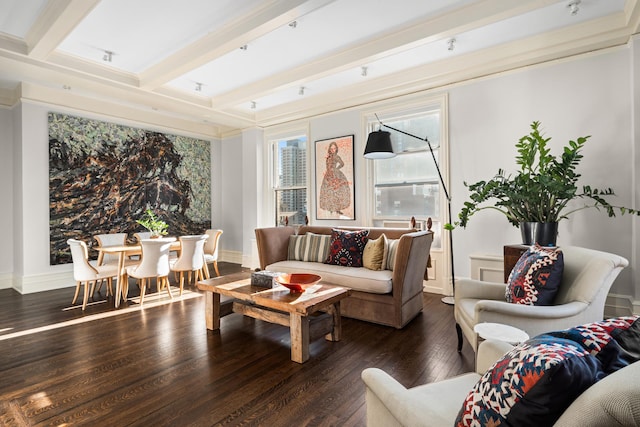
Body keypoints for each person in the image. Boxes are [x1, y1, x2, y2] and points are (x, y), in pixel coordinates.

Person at [319, 141, 350, 215]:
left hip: (335, 174)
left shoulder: (336, 157)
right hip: (328, 174)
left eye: (334, 148)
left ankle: (337, 208)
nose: (333, 150)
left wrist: (336, 169)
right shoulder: (328, 157)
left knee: (336, 191)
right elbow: (327, 166)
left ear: (336, 149)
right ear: (329, 149)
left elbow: (342, 164)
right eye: (331, 148)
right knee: (329, 191)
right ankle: (330, 208)